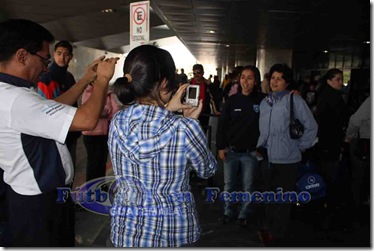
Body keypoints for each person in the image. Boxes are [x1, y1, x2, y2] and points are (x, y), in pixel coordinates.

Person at [0, 19, 119, 247]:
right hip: (37, 204)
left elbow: (53, 107)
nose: (46, 67)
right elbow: (87, 119)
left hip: (36, 197)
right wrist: (103, 80)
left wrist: (86, 79)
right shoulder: (17, 100)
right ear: (22, 56)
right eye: (44, 59)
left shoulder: (13, 93)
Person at [108, 45, 217, 247]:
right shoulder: (184, 128)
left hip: (127, 232)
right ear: (165, 83)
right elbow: (207, 169)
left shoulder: (117, 122)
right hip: (174, 232)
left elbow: (147, 134)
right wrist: (190, 123)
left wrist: (167, 109)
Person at [256, 63, 318, 245]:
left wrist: (300, 147)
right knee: (268, 196)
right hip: (266, 157)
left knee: (282, 200)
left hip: (287, 160)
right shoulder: (265, 102)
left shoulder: (295, 101)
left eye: (279, 78)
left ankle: (277, 234)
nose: (275, 82)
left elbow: (312, 126)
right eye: (273, 78)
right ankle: (270, 227)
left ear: (287, 82)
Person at [216, 65, 265, 227]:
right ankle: (227, 212)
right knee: (229, 185)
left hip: (251, 153)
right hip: (231, 151)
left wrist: (293, 95)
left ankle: (244, 214)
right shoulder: (232, 101)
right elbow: (222, 126)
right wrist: (221, 147)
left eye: (250, 78)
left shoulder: (263, 101)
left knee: (248, 186)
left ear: (256, 81)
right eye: (243, 77)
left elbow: (279, 102)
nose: (245, 81)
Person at [36, 40, 81, 167]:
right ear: (54, 54)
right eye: (59, 53)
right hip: (55, 135)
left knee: (70, 170)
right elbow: (48, 109)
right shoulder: (46, 78)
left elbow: (74, 105)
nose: (62, 57)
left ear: (71, 57)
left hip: (70, 133)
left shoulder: (69, 77)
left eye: (66, 54)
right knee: (58, 172)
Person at [315, 68, 352, 214]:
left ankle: (324, 200)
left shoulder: (325, 95)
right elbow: (344, 115)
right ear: (329, 81)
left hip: (325, 139)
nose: (340, 82)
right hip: (331, 140)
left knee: (326, 170)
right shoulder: (333, 97)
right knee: (330, 172)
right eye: (337, 79)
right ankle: (329, 202)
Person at [81, 84, 121, 181]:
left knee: (102, 162)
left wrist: (106, 112)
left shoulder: (107, 94)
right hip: (91, 134)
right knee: (93, 163)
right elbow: (91, 111)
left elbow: (115, 110)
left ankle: (100, 185)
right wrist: (106, 111)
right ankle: (91, 188)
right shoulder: (88, 93)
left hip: (104, 132)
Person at [345, 96, 370, 220]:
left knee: (359, 177)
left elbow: (355, 120)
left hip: (366, 141)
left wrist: (350, 135)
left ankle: (356, 210)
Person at [189, 64, 212, 132]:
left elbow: (213, 98)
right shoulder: (189, 84)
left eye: (198, 73)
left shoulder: (208, 85)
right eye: (194, 73)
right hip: (191, 111)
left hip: (204, 112)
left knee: (203, 131)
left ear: (203, 73)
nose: (196, 75)